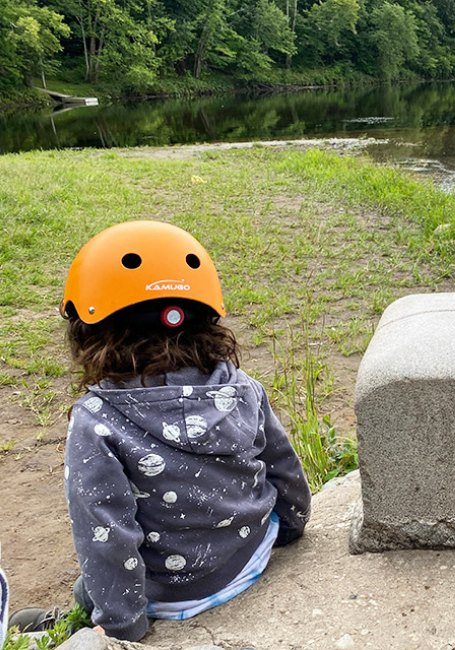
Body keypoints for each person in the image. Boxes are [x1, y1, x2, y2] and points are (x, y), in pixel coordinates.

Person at [11, 220, 311, 641]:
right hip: (251, 554)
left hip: (172, 594)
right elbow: (283, 467)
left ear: (88, 333)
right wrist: (292, 529)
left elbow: (107, 533)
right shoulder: (241, 386)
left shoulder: (96, 419)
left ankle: (69, 622)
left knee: (90, 584)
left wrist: (122, 628)